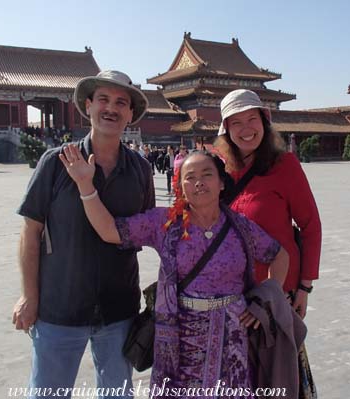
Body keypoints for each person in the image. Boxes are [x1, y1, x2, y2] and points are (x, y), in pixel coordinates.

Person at [59, 145, 289, 395]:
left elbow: (279, 256)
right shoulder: (165, 223)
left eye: (207, 174)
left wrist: (265, 299)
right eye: (190, 177)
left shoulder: (241, 227)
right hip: (181, 339)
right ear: (180, 188)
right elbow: (109, 230)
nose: (199, 182)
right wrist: (85, 185)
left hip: (233, 337)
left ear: (222, 182)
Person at [12, 70, 155, 399]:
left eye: (121, 102)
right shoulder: (55, 162)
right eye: (103, 100)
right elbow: (30, 233)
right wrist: (29, 297)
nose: (111, 109)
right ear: (88, 106)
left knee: (118, 395)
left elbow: (146, 231)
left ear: (130, 114)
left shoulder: (141, 170)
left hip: (119, 311)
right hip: (59, 308)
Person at [215, 89, 321, 396]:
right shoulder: (220, 171)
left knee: (280, 373)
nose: (246, 129)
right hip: (233, 298)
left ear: (265, 121)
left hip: (277, 295)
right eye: (236, 123)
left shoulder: (284, 165)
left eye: (252, 119)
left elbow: (311, 226)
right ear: (226, 130)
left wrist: (304, 287)